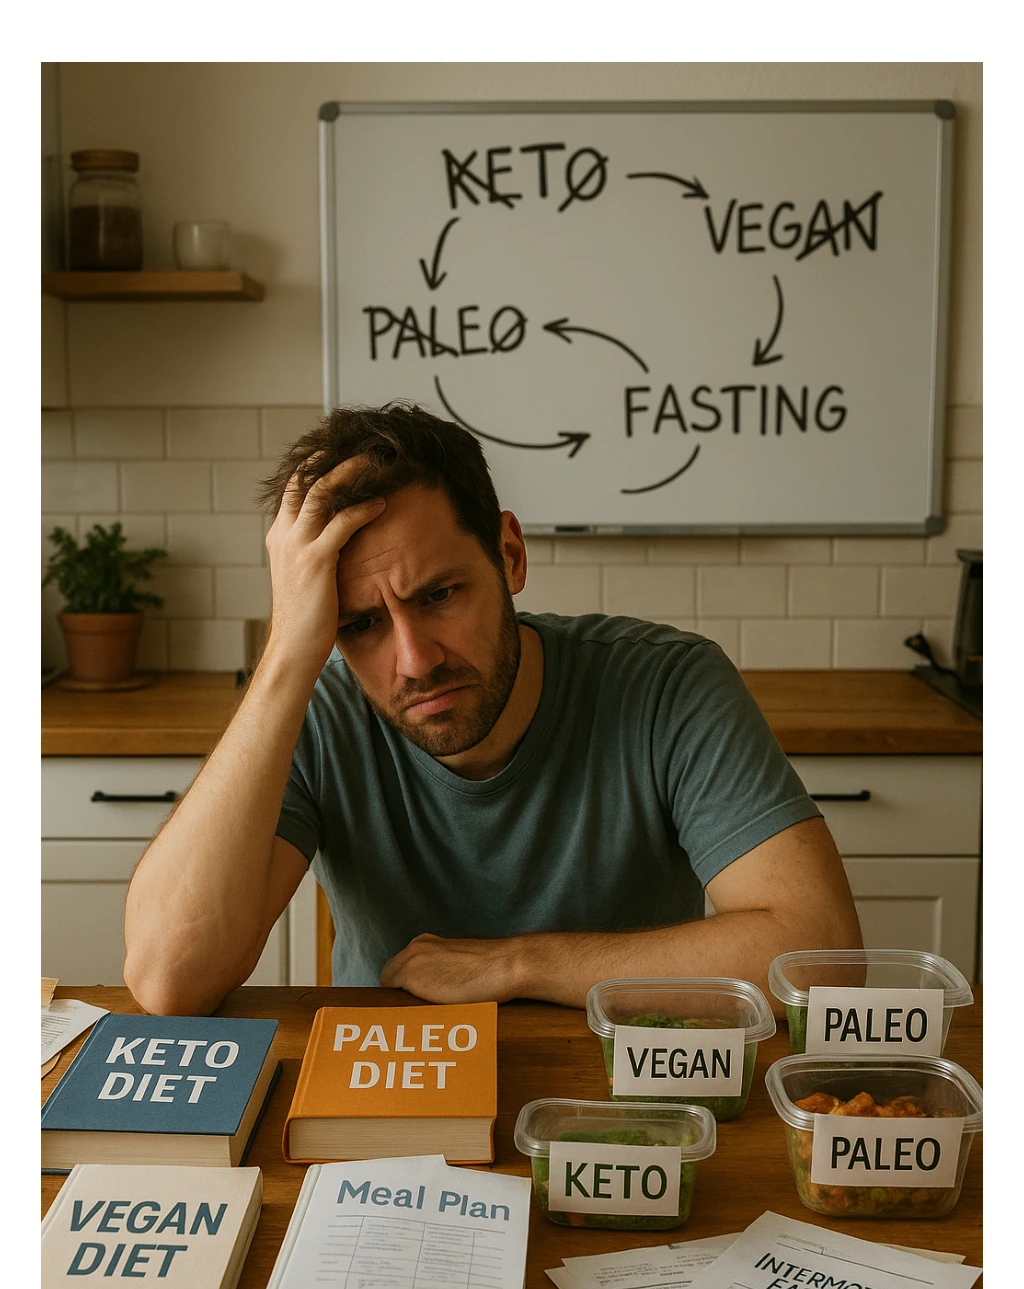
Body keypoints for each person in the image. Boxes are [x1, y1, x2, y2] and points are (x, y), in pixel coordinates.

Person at [124, 402, 861, 1017]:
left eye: (440, 596)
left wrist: (517, 964)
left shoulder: (668, 685)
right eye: (361, 625)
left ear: (509, 555)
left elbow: (820, 961)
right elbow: (168, 980)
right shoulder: (316, 711)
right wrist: (288, 652)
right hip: (383, 1088)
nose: (414, 660)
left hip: (623, 1078)